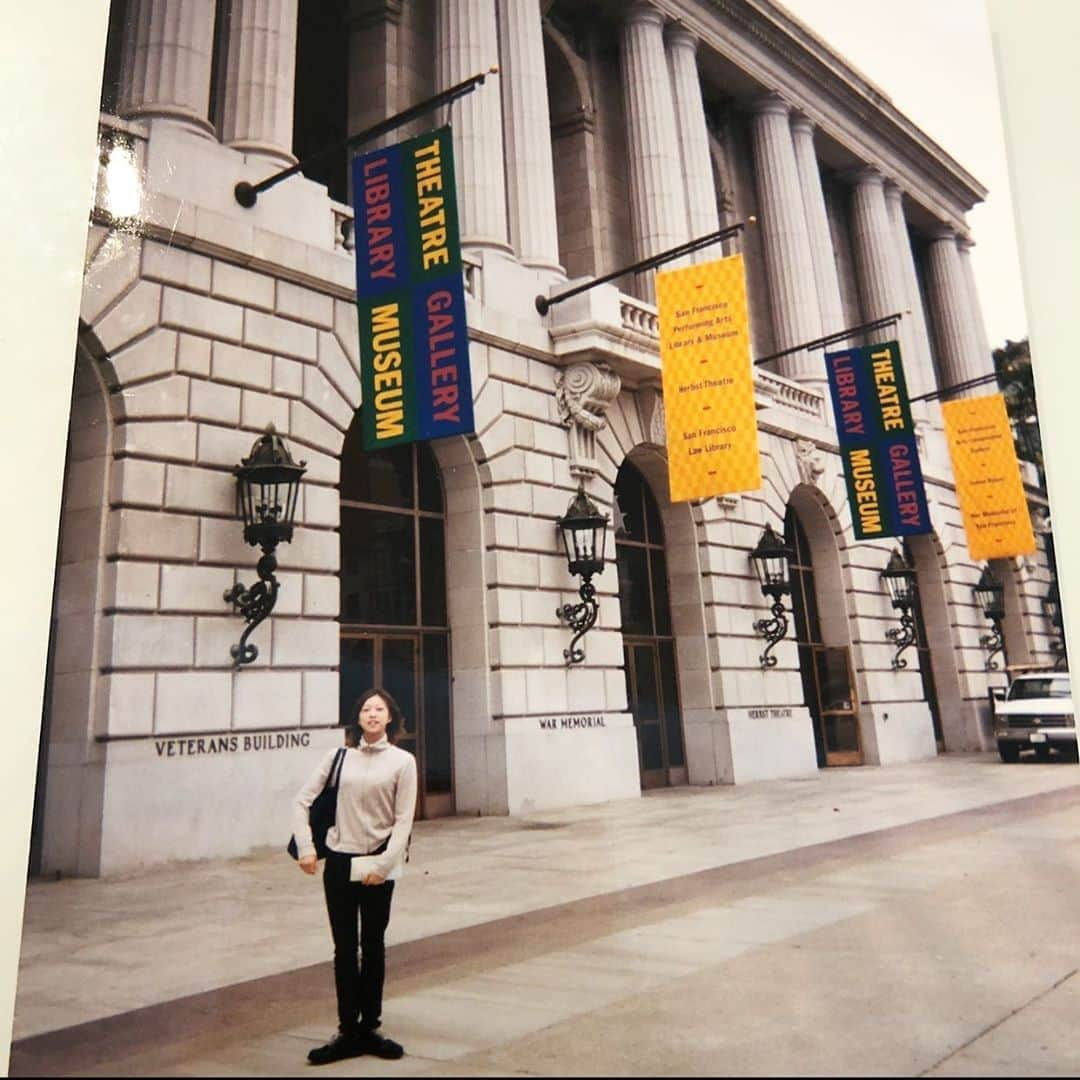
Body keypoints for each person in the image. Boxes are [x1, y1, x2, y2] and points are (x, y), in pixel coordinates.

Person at [293, 687, 418, 1066]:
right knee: (344, 949)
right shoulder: (338, 757)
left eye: (380, 708)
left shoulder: (403, 762)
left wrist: (383, 866)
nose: (373, 714)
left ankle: (370, 1027)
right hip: (342, 862)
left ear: (391, 717)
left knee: (374, 945)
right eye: (366, 709)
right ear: (358, 717)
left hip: (379, 864)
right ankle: (347, 1030)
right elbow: (302, 801)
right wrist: (306, 847)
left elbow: (403, 820)